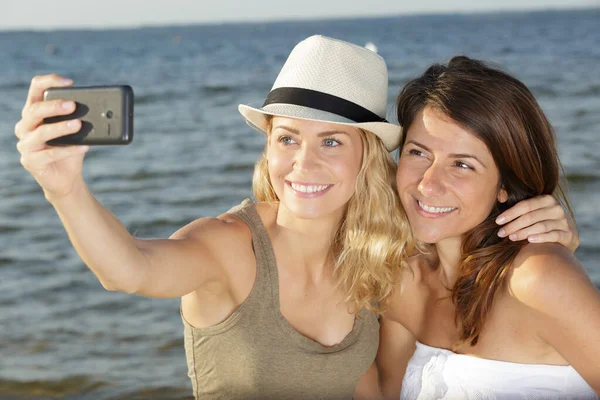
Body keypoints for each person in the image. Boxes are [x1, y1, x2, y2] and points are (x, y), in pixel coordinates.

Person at [14, 36, 578, 399]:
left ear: (367, 156)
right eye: (287, 137)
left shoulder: (379, 263)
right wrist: (64, 188)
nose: (303, 162)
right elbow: (130, 269)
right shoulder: (229, 245)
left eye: (331, 141)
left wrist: (547, 242)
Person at [377, 56, 600, 399]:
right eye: (418, 153)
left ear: (505, 185)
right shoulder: (403, 283)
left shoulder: (536, 278)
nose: (428, 184)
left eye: (462, 164)